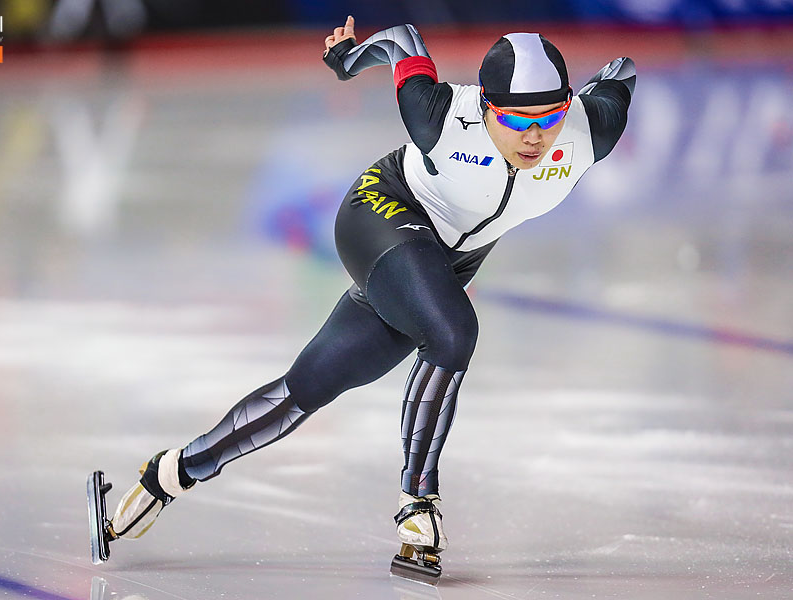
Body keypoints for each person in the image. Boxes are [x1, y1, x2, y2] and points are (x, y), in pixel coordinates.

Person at [88, 15, 635, 582]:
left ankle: (168, 475)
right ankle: (418, 503)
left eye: (548, 117)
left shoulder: (589, 129)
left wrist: (591, 92)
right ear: (486, 108)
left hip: (445, 260)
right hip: (383, 213)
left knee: (308, 387)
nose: (535, 137)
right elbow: (403, 40)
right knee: (453, 332)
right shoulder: (441, 117)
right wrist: (349, 60)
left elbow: (622, 72)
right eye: (517, 119)